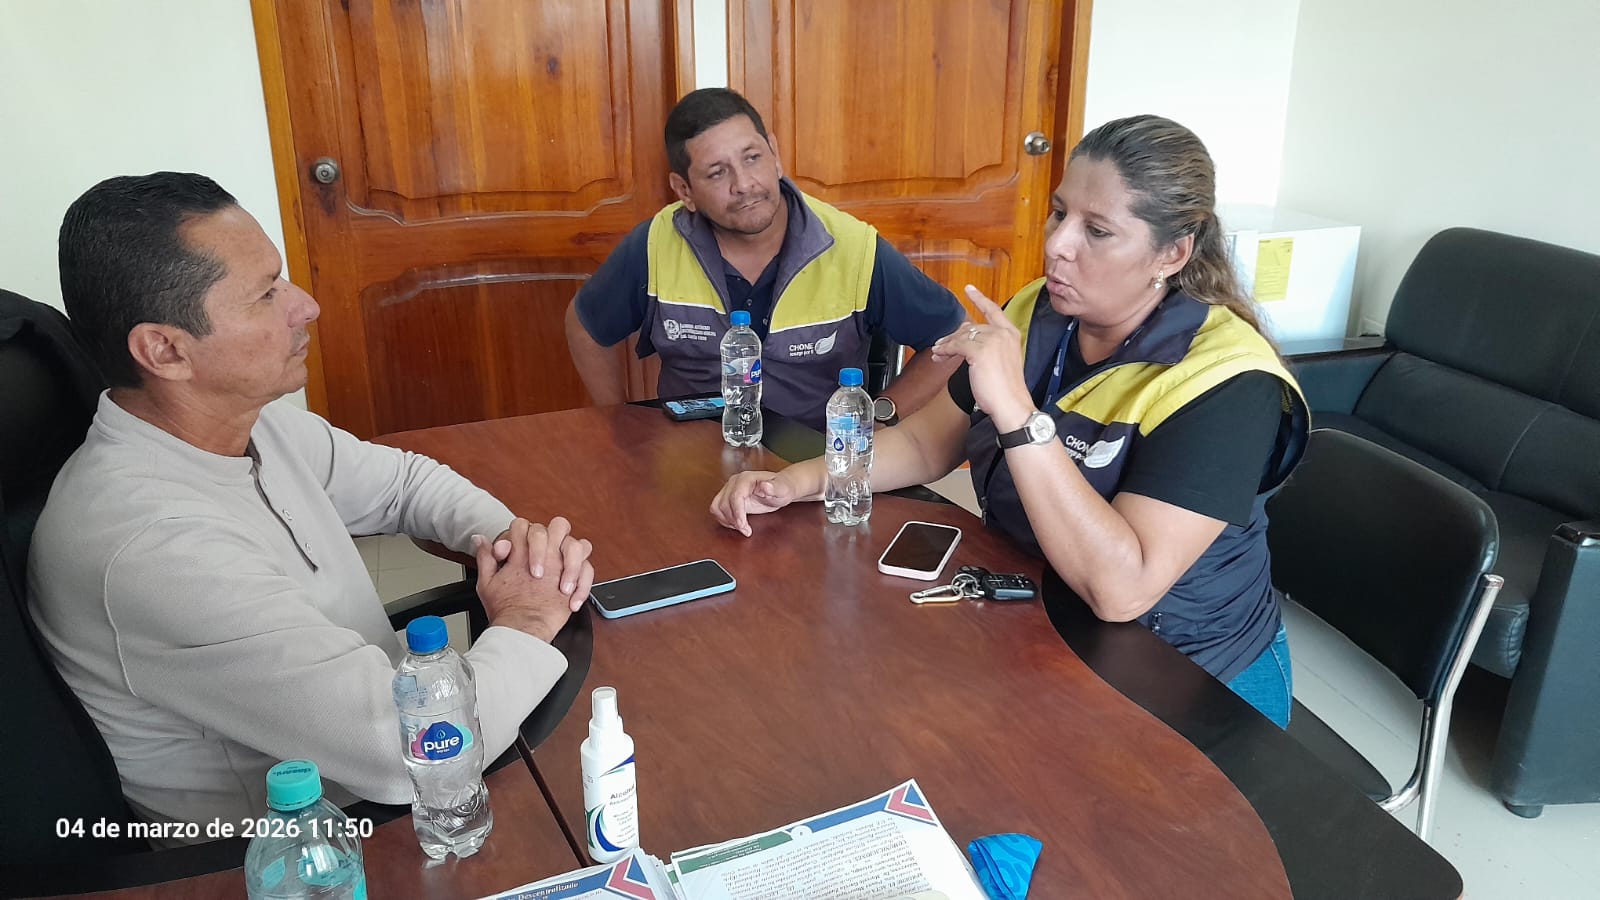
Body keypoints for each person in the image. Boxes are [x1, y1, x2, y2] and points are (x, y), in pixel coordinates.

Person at [29, 172, 597, 842]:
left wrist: (516, 548)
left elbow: (405, 484)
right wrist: (527, 618)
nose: (306, 305)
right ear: (166, 349)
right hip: (291, 852)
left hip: (373, 776)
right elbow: (405, 756)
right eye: (267, 293)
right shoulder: (150, 544)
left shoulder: (249, 423)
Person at [710, 116, 1310, 728]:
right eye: (1059, 214)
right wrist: (800, 481)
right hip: (1043, 623)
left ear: (1172, 253)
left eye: (1097, 230)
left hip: (1184, 670)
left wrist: (1018, 414)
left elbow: (1122, 590)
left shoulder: (1228, 383)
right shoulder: (1036, 310)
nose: (1058, 245)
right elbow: (923, 443)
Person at [565, 88, 967, 431]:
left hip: (815, 465)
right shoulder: (655, 245)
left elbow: (954, 335)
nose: (744, 184)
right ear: (684, 190)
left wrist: (878, 418)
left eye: (752, 157)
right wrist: (619, 425)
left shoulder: (852, 247)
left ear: (774, 154)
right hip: (688, 463)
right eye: (717, 173)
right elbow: (585, 328)